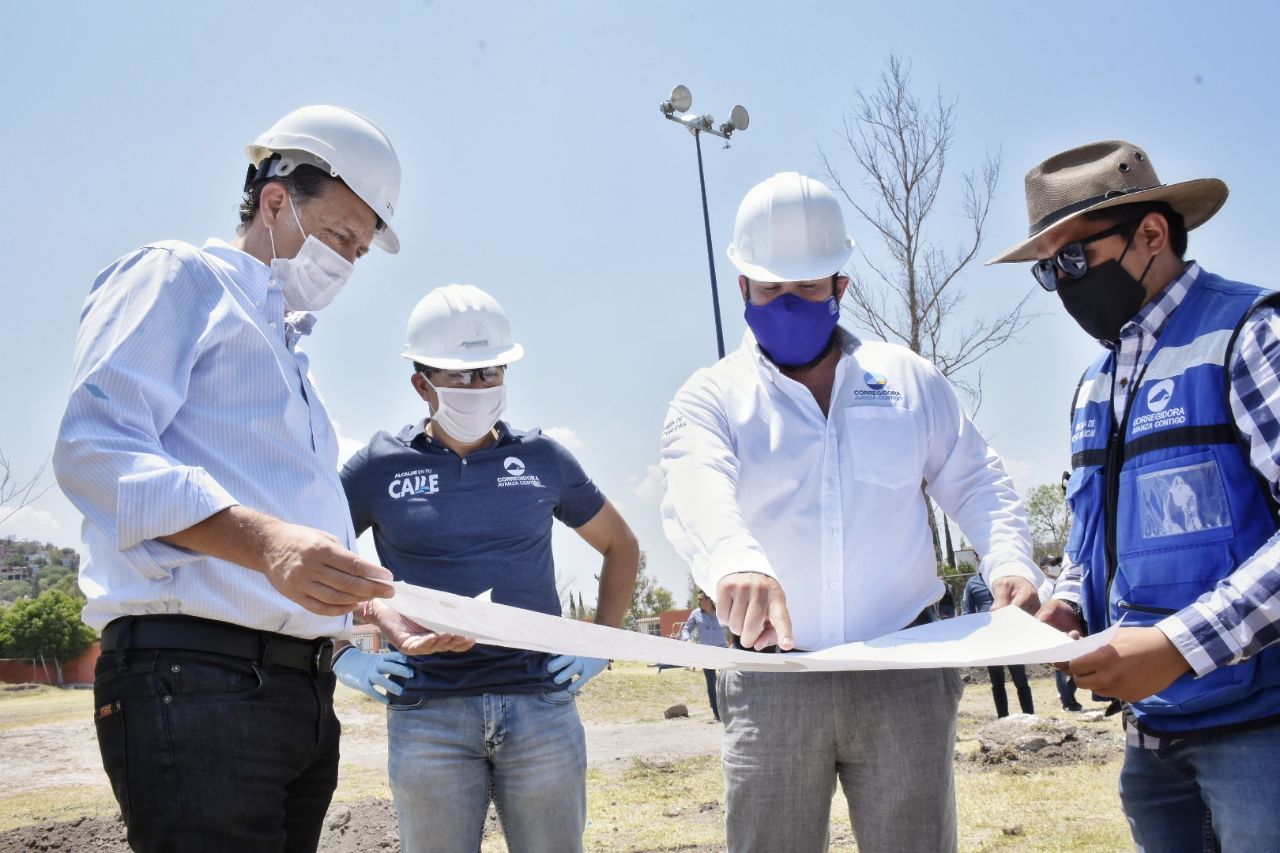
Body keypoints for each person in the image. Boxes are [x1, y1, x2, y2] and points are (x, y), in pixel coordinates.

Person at [52, 105, 418, 851]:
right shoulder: (178, 276)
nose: (347, 262)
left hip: (296, 694)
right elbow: (96, 448)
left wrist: (364, 609)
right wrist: (267, 543)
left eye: (359, 250)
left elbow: (286, 550)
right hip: (194, 682)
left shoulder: (291, 358)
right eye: (342, 237)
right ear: (277, 199)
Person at [660, 171, 1041, 853]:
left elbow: (977, 477)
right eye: (770, 288)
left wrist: (1009, 556)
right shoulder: (711, 398)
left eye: (806, 287)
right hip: (773, 680)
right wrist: (735, 560)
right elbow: (696, 491)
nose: (787, 303)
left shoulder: (907, 381)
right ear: (741, 286)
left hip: (904, 671)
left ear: (842, 284)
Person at [989, 139, 1280, 852]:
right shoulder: (1095, 385)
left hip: (1258, 733)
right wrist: (1061, 604)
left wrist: (1179, 644)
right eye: (1048, 271)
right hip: (1148, 744)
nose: (1063, 282)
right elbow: (1097, 544)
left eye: (1073, 259)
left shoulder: (1249, 336)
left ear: (1152, 233)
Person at [336, 284, 639, 853]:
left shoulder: (543, 458)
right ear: (420, 383)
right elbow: (313, 561)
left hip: (541, 706)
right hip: (428, 714)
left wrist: (603, 640)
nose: (477, 388)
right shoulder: (378, 466)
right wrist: (342, 651)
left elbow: (621, 545)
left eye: (489, 373)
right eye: (459, 375)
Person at [962, 572, 1035, 717]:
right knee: (997, 683)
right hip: (990, 640)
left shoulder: (1008, 576)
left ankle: (1030, 717)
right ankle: (1002, 718)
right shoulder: (973, 583)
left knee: (1021, 680)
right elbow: (968, 613)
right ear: (977, 558)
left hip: (1012, 637)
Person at [1039, 555, 1082, 711]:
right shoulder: (1043, 587)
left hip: (1071, 628)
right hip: (1055, 632)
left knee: (1076, 669)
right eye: (1053, 564)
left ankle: (1068, 696)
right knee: (1061, 672)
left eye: (1058, 563)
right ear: (1045, 568)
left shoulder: (1061, 581)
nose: (1057, 566)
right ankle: (1067, 701)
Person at [680, 590, 727, 722]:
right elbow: (685, 630)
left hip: (722, 651)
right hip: (706, 654)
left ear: (708, 599)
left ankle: (728, 710)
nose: (698, 602)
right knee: (711, 684)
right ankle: (717, 713)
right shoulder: (695, 614)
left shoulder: (721, 612)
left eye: (700, 599)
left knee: (725, 682)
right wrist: (687, 639)